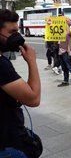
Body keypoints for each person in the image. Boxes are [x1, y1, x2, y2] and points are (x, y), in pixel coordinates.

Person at [0, 9, 42, 157]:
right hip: (8, 144)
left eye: (17, 31)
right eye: (12, 32)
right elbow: (33, 99)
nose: (17, 37)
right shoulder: (1, 65)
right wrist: (32, 61)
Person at [57, 18, 71, 88]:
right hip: (60, 52)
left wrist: (67, 22)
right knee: (64, 68)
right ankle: (65, 81)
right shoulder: (59, 31)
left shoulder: (69, 32)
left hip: (66, 52)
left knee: (70, 67)